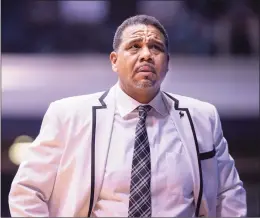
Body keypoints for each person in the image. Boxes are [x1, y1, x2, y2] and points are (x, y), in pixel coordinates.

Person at [9, 15, 246, 217]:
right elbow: (27, 191)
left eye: (156, 47)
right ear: (114, 61)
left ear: (167, 62)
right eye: (134, 46)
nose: (146, 55)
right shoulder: (68, 115)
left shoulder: (203, 117)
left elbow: (229, 193)